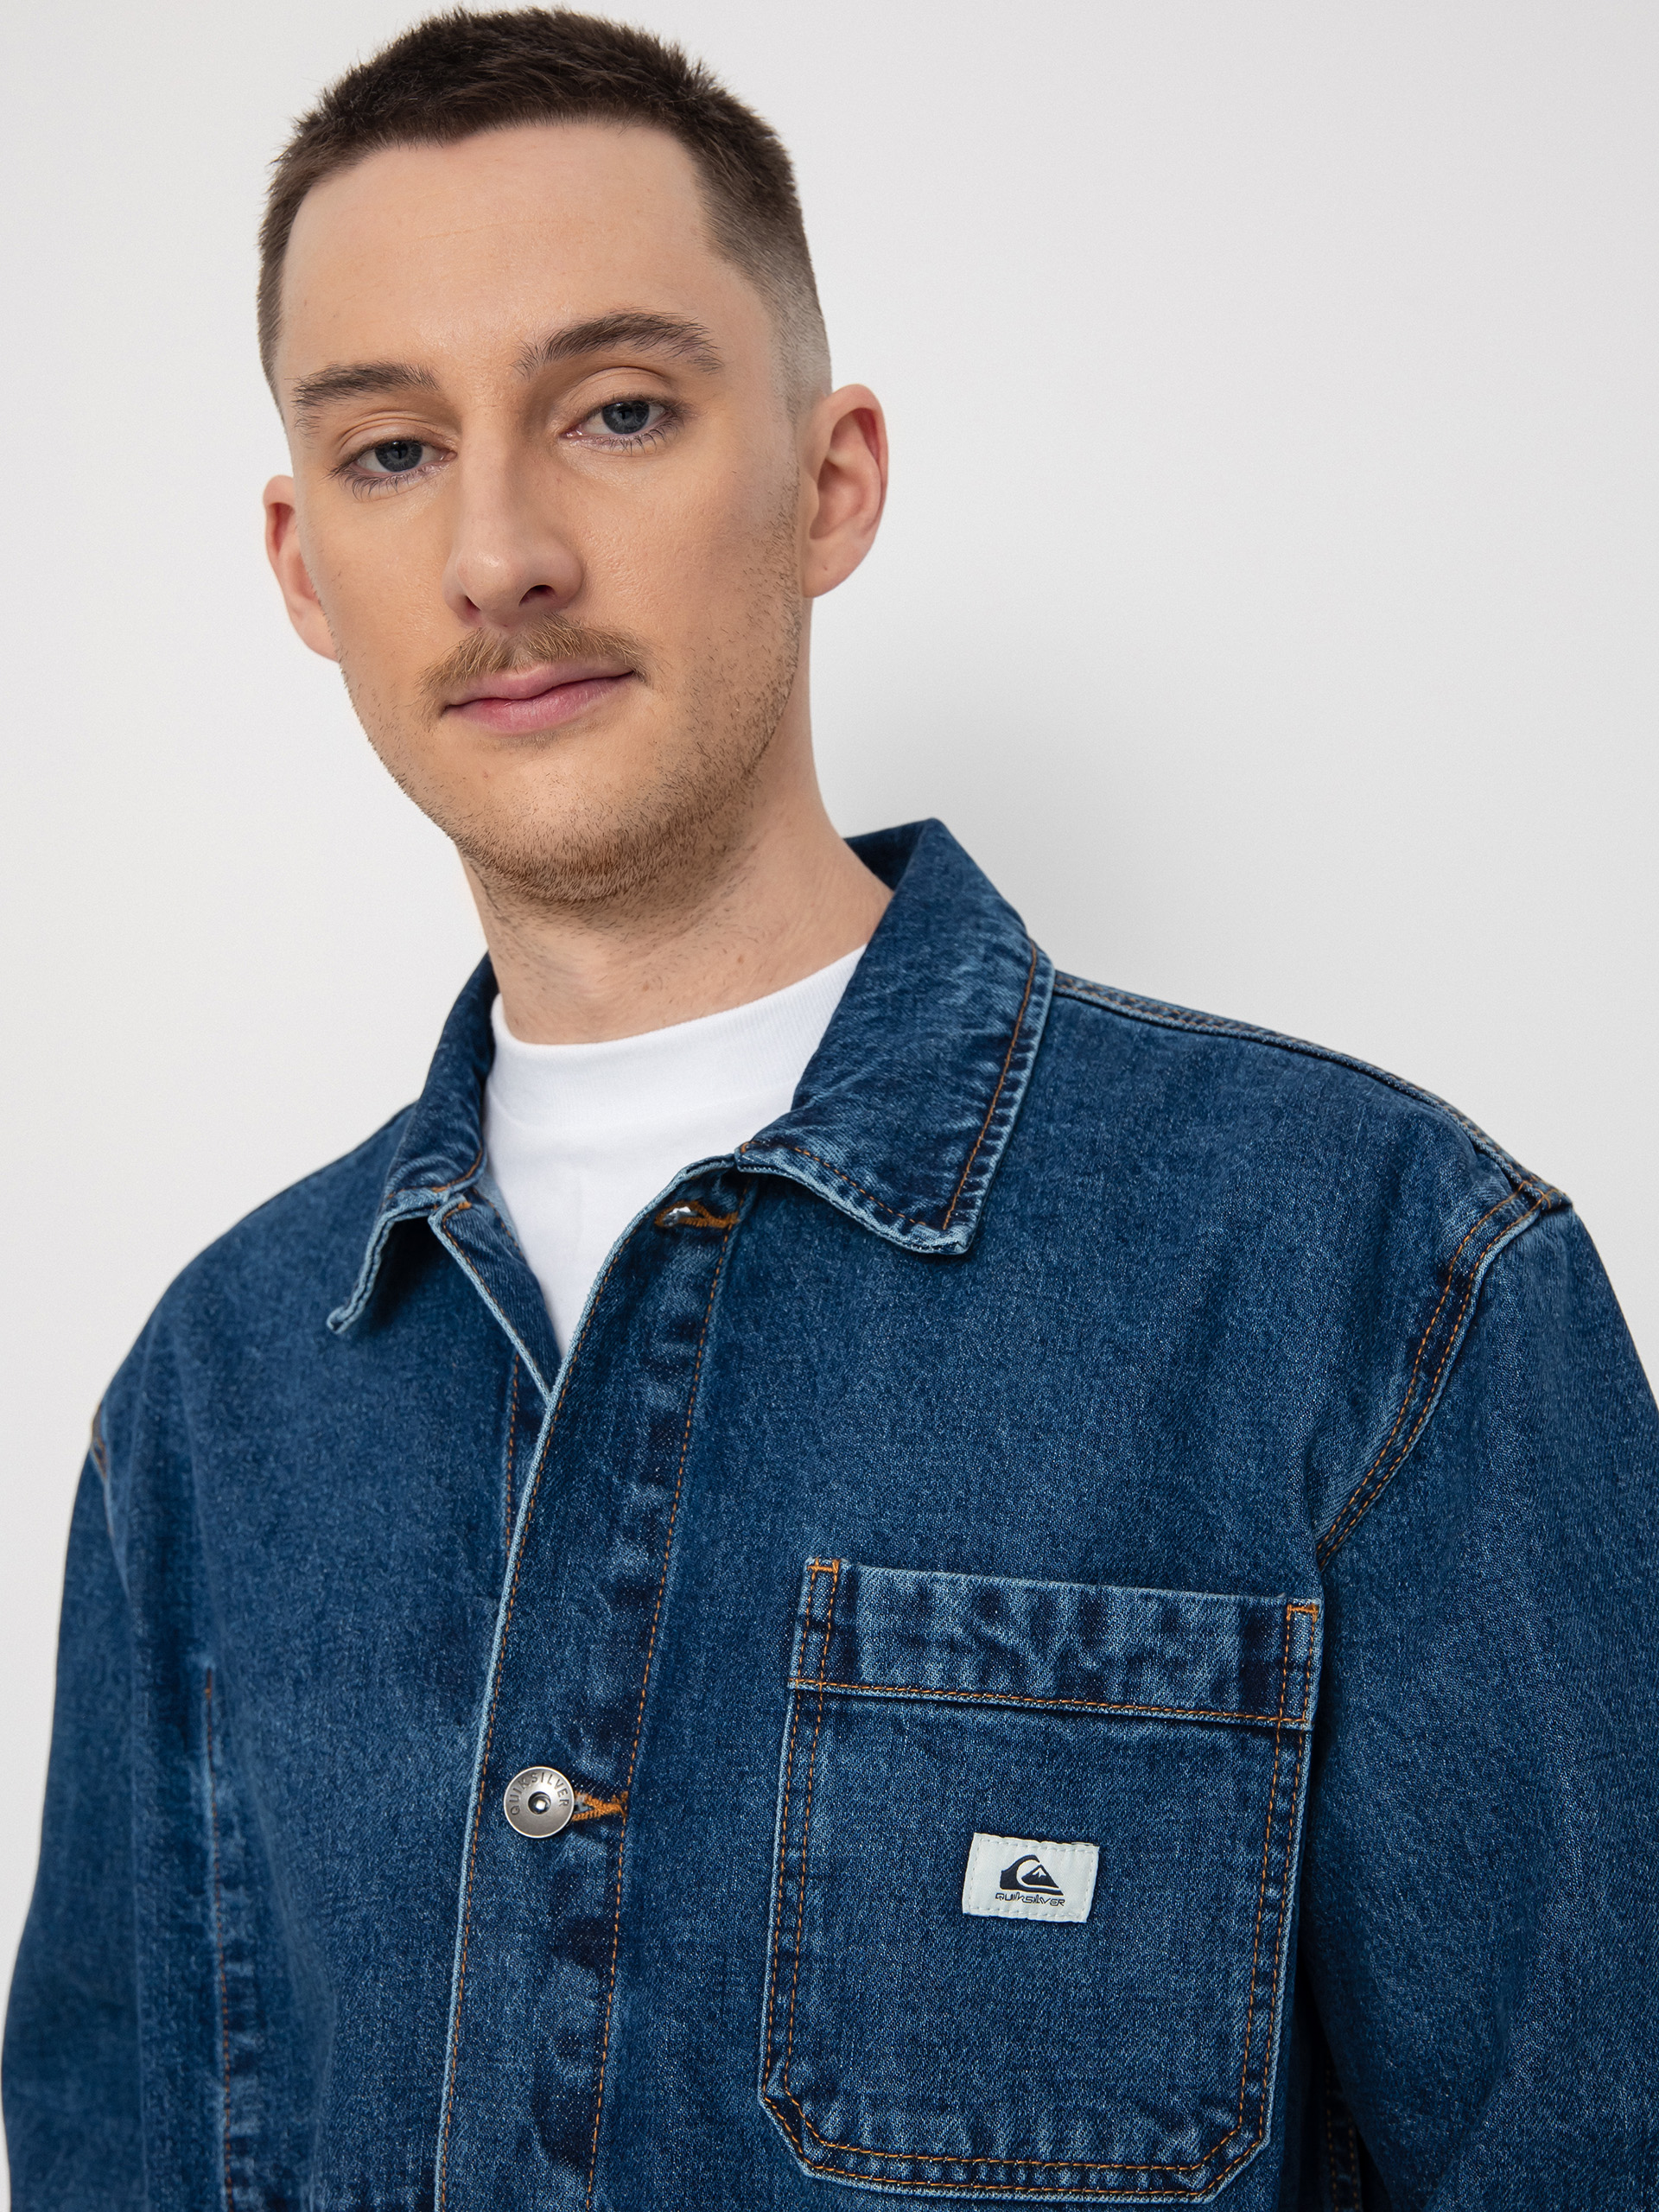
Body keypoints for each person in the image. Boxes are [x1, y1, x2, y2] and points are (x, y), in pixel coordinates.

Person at [4, 9, 1655, 2206]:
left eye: (618, 409)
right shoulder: (210, 1402)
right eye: (393, 450)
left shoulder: (1376, 1283)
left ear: (830, 478)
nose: (501, 554)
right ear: (306, 566)